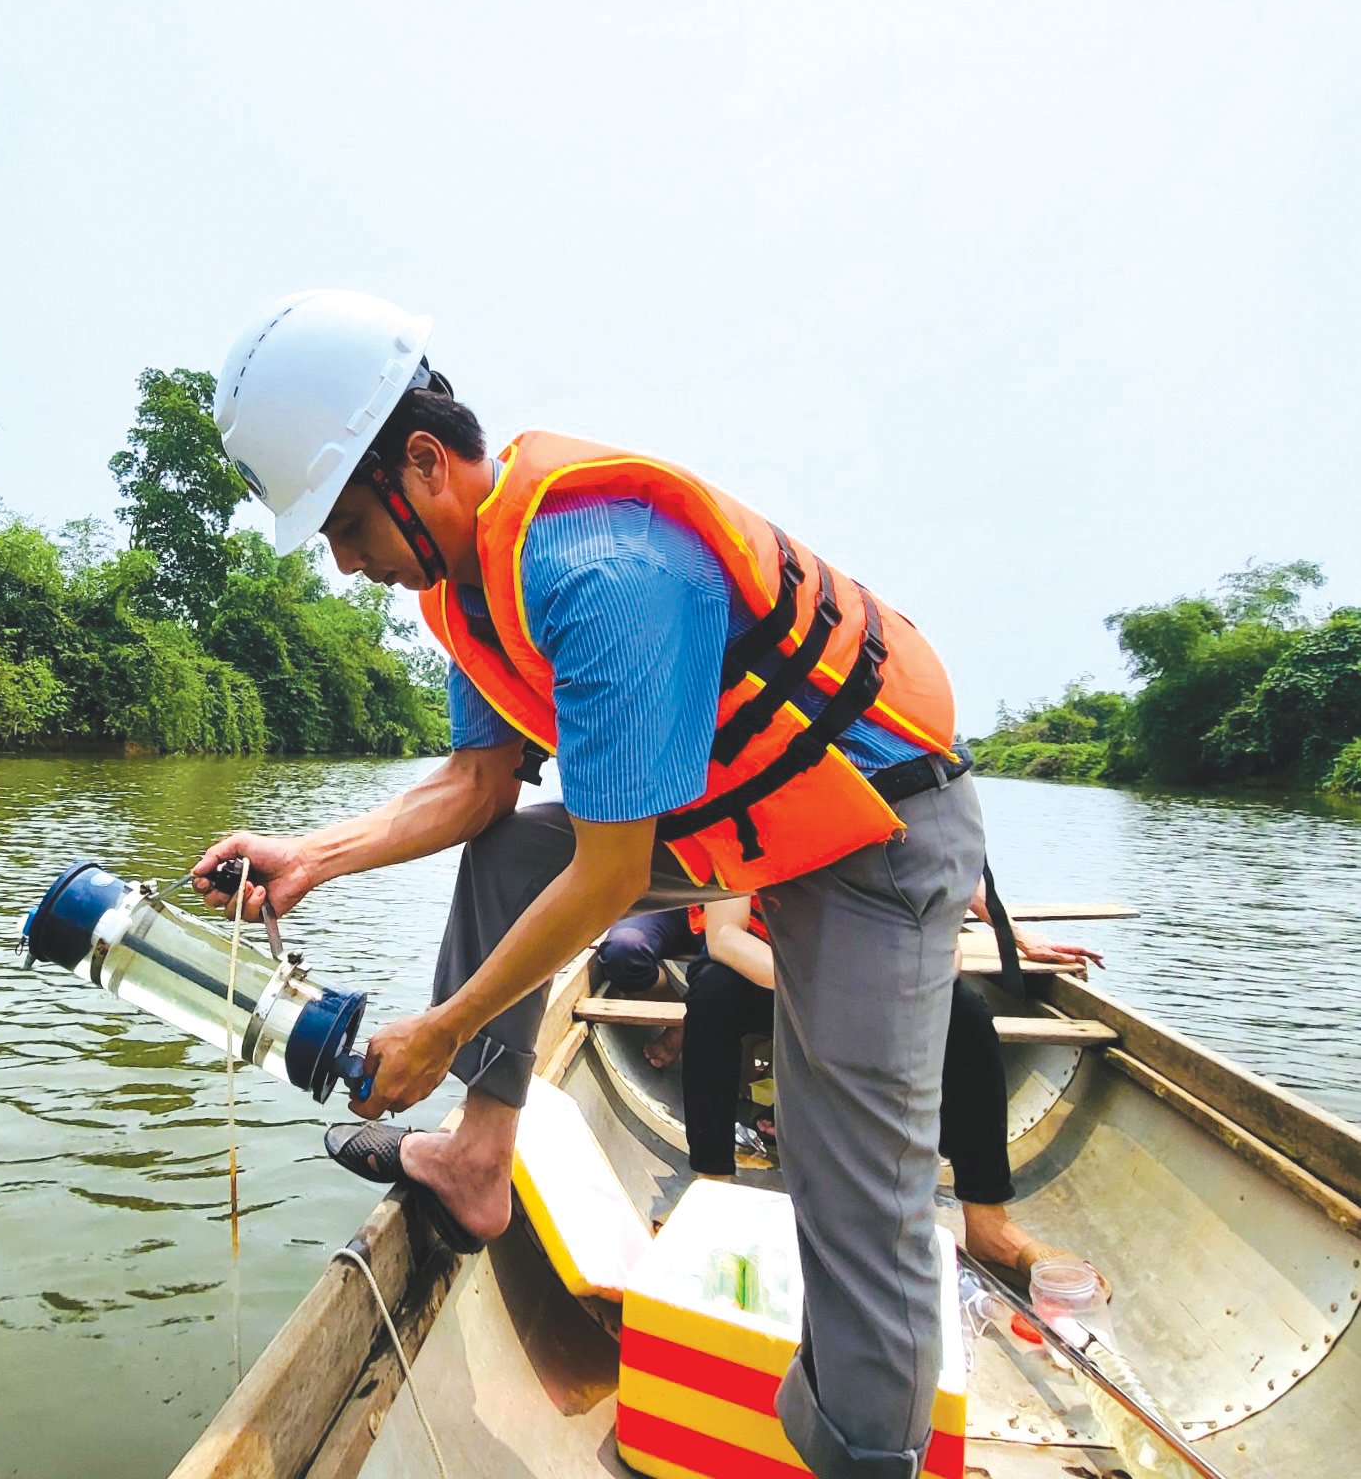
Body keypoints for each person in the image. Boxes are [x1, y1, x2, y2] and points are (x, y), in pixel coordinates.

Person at [194, 289, 983, 1479]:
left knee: (851, 1193)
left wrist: (442, 1025)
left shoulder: (601, 569)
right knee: (513, 855)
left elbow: (611, 874)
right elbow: (476, 791)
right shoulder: (459, 593)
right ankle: (476, 1159)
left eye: (348, 526)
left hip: (874, 838)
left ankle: (868, 1456)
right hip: (732, 825)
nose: (346, 563)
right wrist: (312, 855)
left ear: (422, 463)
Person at [653, 898, 1110, 1292]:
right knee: (713, 993)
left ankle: (989, 1222)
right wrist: (822, 989)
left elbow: (943, 947)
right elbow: (727, 936)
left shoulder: (909, 809)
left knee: (965, 1013)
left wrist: (891, 989)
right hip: (769, 963)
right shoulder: (750, 801)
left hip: (878, 975)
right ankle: (712, 1189)